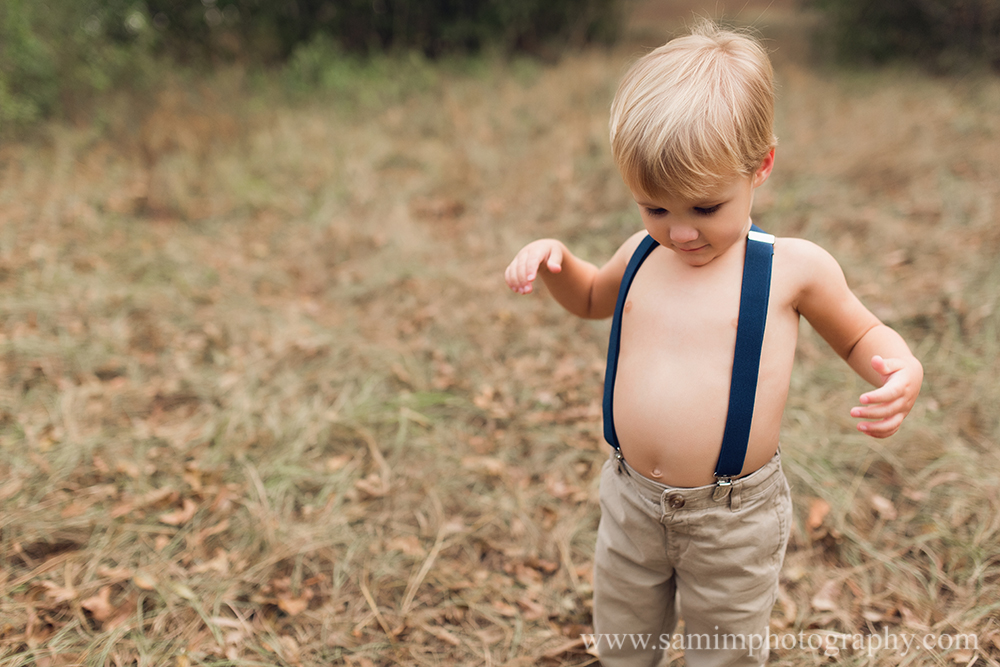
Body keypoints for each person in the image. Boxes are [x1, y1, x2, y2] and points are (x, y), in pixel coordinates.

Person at [503, 21, 923, 667]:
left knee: (722, 648)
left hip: (732, 516)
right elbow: (592, 298)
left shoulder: (792, 267)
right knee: (623, 636)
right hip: (631, 497)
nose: (680, 232)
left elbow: (863, 332)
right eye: (654, 207)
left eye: (704, 208)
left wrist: (899, 369)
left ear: (762, 166)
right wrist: (560, 265)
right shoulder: (642, 253)